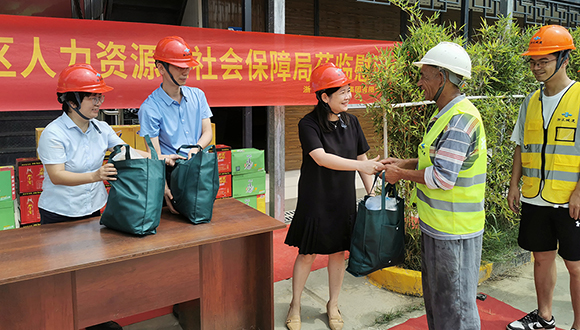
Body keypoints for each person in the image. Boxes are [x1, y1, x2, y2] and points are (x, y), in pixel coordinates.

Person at [37, 64, 177, 330]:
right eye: (92, 96)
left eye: (100, 96)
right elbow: (57, 175)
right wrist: (96, 175)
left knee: (93, 271)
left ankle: (95, 322)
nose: (99, 102)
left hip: (92, 211)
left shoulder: (101, 128)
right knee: (63, 277)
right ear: (70, 100)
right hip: (59, 216)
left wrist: (160, 158)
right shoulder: (53, 133)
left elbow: (127, 151)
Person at [380, 42, 487, 330]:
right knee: (439, 303)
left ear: (442, 77)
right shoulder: (445, 114)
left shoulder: (459, 119)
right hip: (439, 226)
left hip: (454, 232)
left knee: (455, 308)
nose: (419, 82)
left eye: (424, 75)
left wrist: (400, 176)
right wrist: (405, 163)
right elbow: (437, 161)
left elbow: (442, 177)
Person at [283, 62, 382, 330]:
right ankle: (295, 304)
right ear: (324, 97)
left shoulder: (352, 122)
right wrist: (362, 166)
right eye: (342, 92)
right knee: (307, 253)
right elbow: (322, 158)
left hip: (342, 200)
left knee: (339, 252)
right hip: (315, 199)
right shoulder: (308, 124)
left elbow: (362, 157)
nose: (349, 96)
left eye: (349, 90)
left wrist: (373, 192)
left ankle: (333, 304)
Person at [506, 25, 580, 330]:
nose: (536, 68)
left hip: (570, 199)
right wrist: (513, 185)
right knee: (541, 258)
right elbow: (521, 146)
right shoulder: (530, 102)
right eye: (533, 62)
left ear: (563, 59)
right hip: (534, 195)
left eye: (543, 61)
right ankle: (544, 317)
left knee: (576, 266)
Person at [138, 36, 213, 214]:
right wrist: (164, 188)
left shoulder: (198, 96)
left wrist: (197, 147)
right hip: (171, 174)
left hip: (198, 168)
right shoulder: (149, 108)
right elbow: (153, 155)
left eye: (187, 66)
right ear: (161, 68)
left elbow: (208, 132)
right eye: (179, 67)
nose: (185, 71)